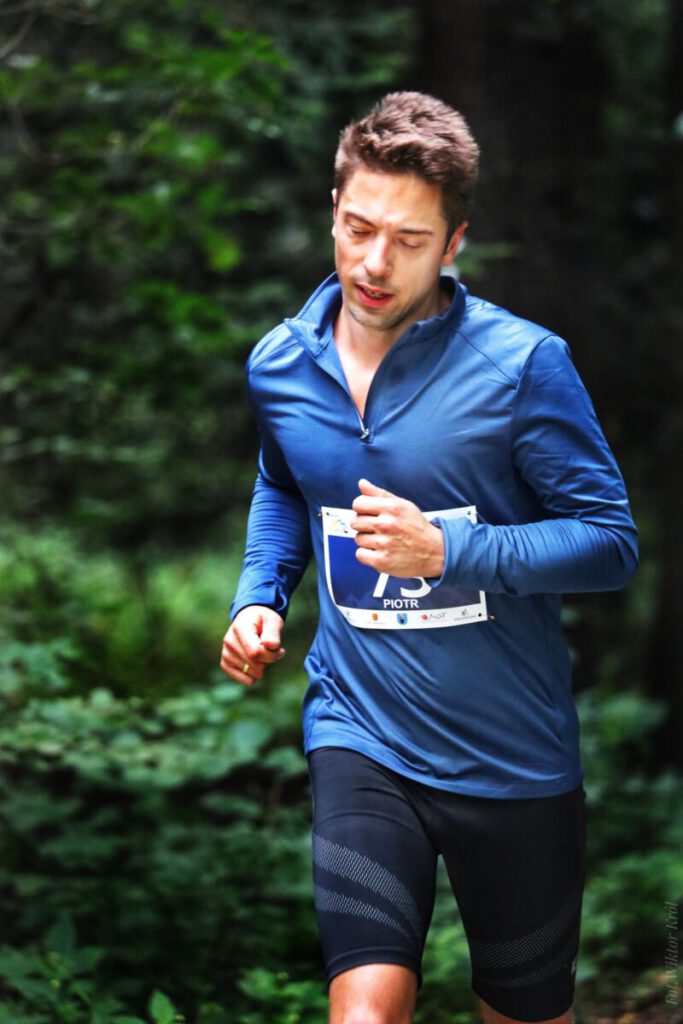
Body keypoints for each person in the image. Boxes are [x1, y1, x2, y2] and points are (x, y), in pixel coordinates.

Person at [220, 92, 638, 1024]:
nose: (374, 263)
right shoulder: (279, 365)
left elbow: (609, 543)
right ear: (334, 209)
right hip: (360, 732)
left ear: (453, 244)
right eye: (358, 228)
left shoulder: (522, 366)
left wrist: (449, 549)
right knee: (362, 1011)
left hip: (510, 760)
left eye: (409, 240)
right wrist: (259, 596)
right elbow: (284, 483)